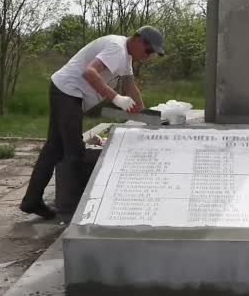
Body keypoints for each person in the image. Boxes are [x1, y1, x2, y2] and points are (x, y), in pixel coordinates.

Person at [20, 26, 165, 219]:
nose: (148, 57)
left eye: (152, 54)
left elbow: (130, 85)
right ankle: (77, 213)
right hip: (68, 91)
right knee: (75, 152)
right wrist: (116, 98)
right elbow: (89, 73)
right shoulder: (117, 48)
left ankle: (31, 201)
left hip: (65, 90)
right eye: (148, 51)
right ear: (138, 39)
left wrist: (146, 116)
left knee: (54, 148)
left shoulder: (125, 56)